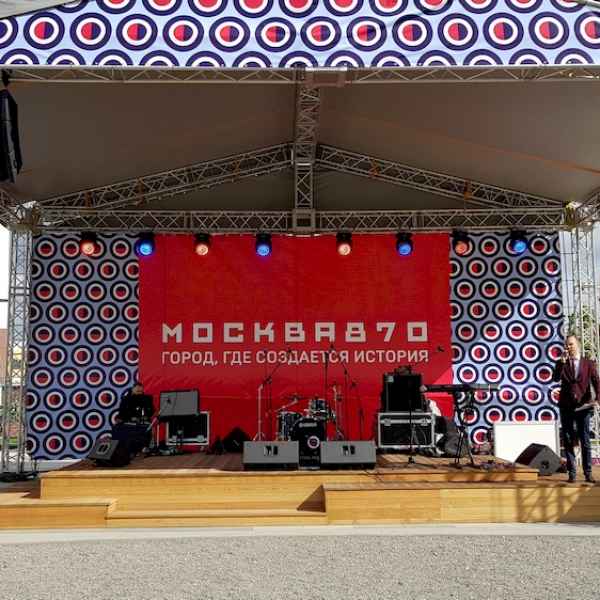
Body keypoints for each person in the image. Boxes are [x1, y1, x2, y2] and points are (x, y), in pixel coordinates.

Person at [552, 335, 599, 484]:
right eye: (566, 345)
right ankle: (572, 473)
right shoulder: (562, 362)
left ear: (578, 345)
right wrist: (561, 363)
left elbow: (596, 381)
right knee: (568, 438)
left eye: (571, 344)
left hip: (583, 406)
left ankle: (588, 472)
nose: (568, 347)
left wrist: (598, 399)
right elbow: (555, 378)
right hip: (566, 405)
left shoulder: (588, 363)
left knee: (585, 439)